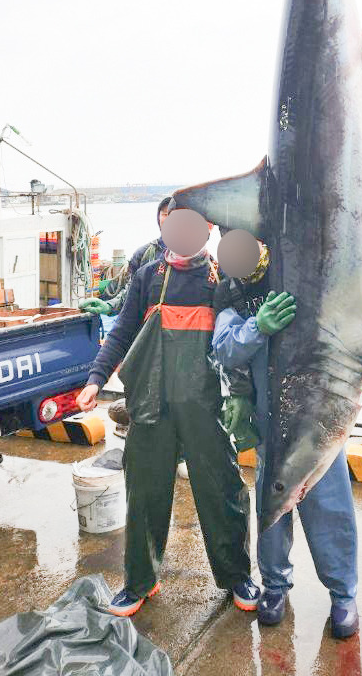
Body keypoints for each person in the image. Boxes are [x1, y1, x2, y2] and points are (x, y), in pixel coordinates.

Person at [76, 229, 259, 617]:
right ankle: (140, 581)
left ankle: (237, 575)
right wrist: (95, 379)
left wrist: (241, 395)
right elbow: (123, 332)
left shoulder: (222, 280)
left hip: (205, 407)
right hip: (149, 403)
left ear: (207, 229)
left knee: (222, 489)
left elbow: (238, 340)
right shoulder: (148, 276)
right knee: (144, 491)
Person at [212, 242, 360, 640]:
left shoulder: (303, 267)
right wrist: (255, 327)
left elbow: (349, 312)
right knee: (272, 510)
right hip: (270, 420)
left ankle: (343, 594)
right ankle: (274, 587)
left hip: (318, 421)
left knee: (331, 510)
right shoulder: (231, 292)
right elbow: (224, 351)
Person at [79, 197, 171, 316]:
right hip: (149, 327)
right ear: (158, 218)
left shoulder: (198, 260)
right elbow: (131, 294)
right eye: (165, 214)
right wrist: (109, 306)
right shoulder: (144, 254)